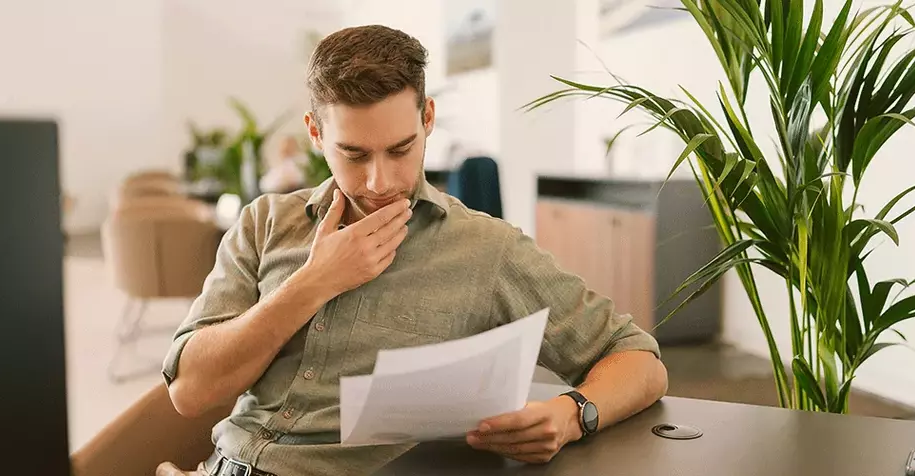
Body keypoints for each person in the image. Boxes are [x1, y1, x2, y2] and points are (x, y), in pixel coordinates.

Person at [157, 24, 667, 476]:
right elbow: (190, 392)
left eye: (399, 149)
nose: (379, 181)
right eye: (353, 154)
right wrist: (312, 283)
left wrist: (572, 414)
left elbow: (639, 359)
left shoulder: (487, 249)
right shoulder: (265, 223)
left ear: (427, 118)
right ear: (315, 132)